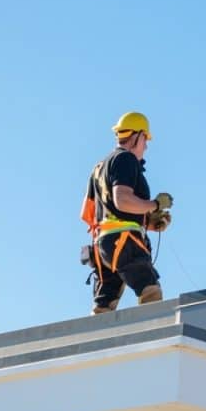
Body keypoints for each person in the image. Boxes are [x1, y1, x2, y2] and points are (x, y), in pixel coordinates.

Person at [80, 112, 173, 314]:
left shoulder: (100, 167)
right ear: (138, 136)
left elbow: (102, 212)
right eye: (146, 140)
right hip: (124, 243)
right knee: (150, 291)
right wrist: (155, 204)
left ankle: (99, 333)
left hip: (103, 246)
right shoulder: (126, 159)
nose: (146, 146)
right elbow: (122, 200)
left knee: (104, 305)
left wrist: (149, 222)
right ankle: (154, 331)